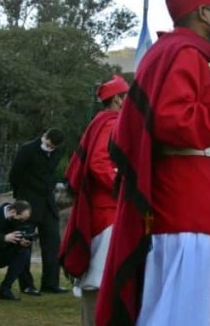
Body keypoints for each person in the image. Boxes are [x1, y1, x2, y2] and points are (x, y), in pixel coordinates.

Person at [95, 0, 210, 326]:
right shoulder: (184, 53)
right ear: (202, 14)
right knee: (176, 314)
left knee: (172, 310)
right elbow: (174, 122)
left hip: (185, 204)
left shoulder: (176, 53)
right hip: (186, 204)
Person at [59, 74, 129, 325]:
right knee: (100, 279)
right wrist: (127, 191)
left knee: (101, 278)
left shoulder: (101, 122)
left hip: (102, 210)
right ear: (118, 100)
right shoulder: (111, 123)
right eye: (127, 96)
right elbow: (100, 163)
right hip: (107, 212)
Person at [9, 127, 67, 293]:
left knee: (52, 243)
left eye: (52, 147)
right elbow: (15, 174)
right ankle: (26, 285)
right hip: (29, 200)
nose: (49, 149)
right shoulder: (28, 150)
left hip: (47, 203)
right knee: (25, 242)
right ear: (44, 137)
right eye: (48, 145)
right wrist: (21, 199)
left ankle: (50, 283)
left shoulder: (57, 152)